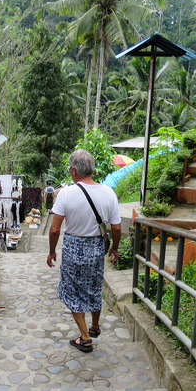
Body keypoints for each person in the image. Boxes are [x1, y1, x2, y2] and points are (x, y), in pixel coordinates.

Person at [47, 149, 121, 353]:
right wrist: (114, 248)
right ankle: (95, 326)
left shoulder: (66, 193)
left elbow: (55, 228)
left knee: (72, 290)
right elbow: (116, 227)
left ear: (73, 170)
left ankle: (85, 337)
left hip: (73, 247)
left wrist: (52, 251)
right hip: (97, 247)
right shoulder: (108, 192)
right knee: (94, 286)